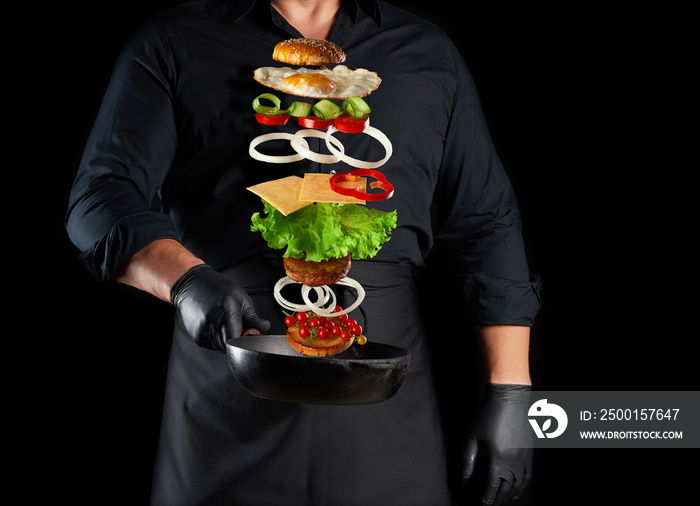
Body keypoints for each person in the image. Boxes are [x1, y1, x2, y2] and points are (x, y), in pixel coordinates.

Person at [66, 0, 541, 504]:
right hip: (224, 383)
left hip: (387, 405)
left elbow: (486, 223)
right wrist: (185, 280)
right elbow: (100, 197)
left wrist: (511, 391)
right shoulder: (171, 41)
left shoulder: (427, 51)